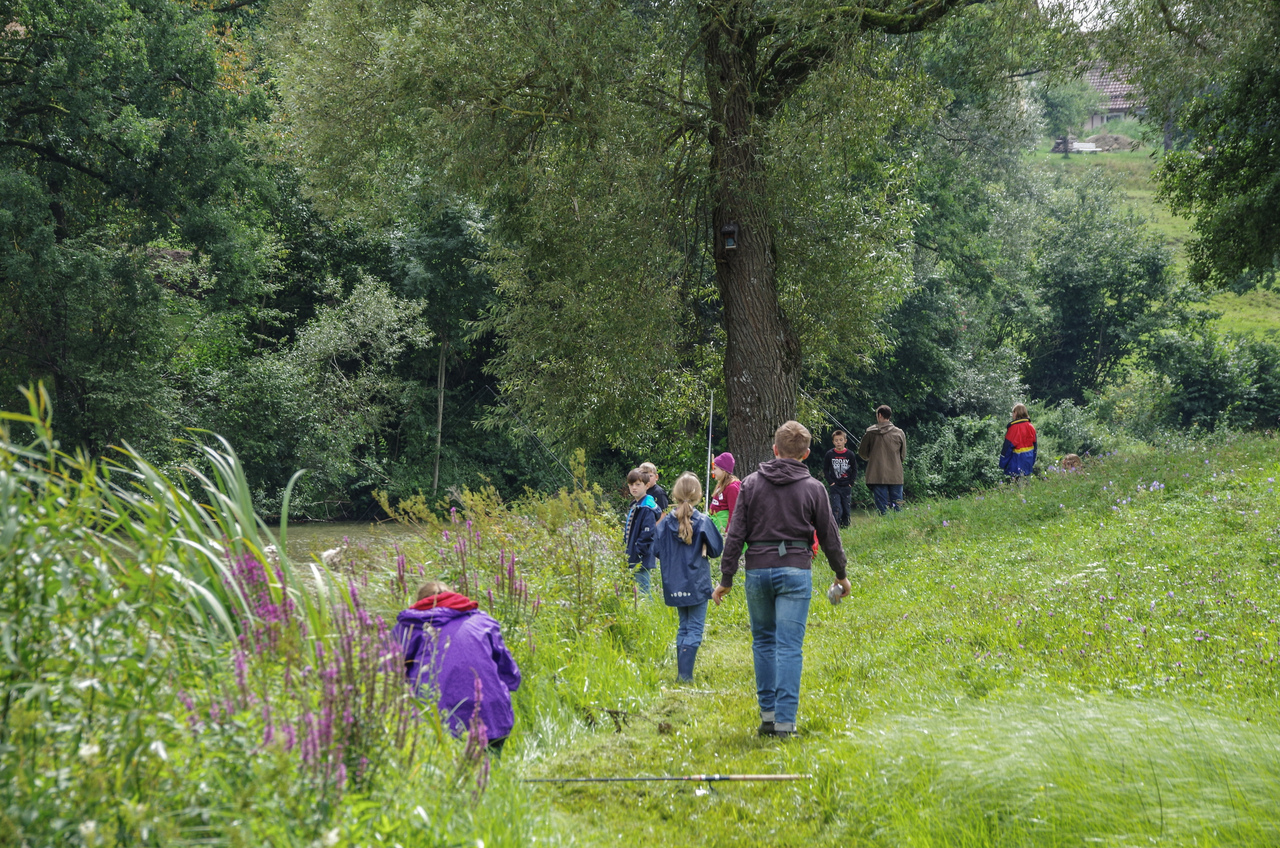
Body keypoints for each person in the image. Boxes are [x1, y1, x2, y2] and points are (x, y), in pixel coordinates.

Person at [711, 421, 850, 739]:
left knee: (763, 642)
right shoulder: (814, 487)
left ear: (774, 450)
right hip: (795, 571)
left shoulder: (750, 484)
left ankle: (768, 718)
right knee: (788, 648)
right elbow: (829, 535)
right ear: (806, 454)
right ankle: (786, 724)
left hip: (758, 571)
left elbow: (735, 534)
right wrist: (840, 575)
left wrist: (726, 577)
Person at [392, 580, 522, 753]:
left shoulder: (408, 626)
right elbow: (511, 676)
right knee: (489, 773)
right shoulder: (483, 622)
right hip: (492, 719)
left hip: (436, 725)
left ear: (421, 602)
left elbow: (385, 676)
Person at [653, 472, 724, 681]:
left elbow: (656, 550)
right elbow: (716, 550)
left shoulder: (665, 524)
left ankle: (682, 674)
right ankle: (684, 677)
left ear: (675, 494)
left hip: (673, 582)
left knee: (683, 626)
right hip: (697, 583)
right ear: (698, 495)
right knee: (694, 628)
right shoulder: (702, 520)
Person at [858, 404, 906, 515]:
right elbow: (903, 455)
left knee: (882, 509)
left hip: (877, 475)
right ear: (889, 416)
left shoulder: (870, 433)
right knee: (898, 507)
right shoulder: (900, 433)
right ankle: (900, 530)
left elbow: (863, 453)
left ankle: (885, 529)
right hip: (896, 475)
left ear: (879, 415)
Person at [623, 467, 660, 594]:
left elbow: (647, 533)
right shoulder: (636, 505)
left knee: (644, 590)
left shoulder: (646, 507)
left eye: (638, 484)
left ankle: (647, 613)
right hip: (632, 554)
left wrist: (638, 552)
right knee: (633, 591)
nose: (634, 488)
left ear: (647, 485)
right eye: (631, 484)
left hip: (641, 557)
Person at [822, 430, 857, 528]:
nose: (838, 442)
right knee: (836, 508)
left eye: (840, 440)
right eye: (836, 440)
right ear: (833, 442)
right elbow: (825, 469)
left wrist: (851, 482)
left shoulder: (850, 454)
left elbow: (854, 469)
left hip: (846, 486)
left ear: (845, 441)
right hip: (835, 486)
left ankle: (845, 527)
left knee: (846, 509)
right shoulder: (829, 454)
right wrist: (831, 482)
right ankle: (835, 527)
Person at [1000, 403, 1037, 482]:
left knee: (1017, 487)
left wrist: (1002, 463)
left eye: (1013, 413)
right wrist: (1032, 461)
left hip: (1017, 462)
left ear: (1016, 413)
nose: (1012, 415)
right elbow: (1035, 447)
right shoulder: (1031, 426)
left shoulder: (1013, 428)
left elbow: (1007, 448)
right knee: (1027, 485)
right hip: (1029, 460)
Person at [708, 452, 741, 535]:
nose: (713, 472)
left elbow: (734, 511)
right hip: (716, 526)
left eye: (715, 469)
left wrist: (729, 531)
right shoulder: (721, 485)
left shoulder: (731, 488)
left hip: (723, 529)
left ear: (723, 470)